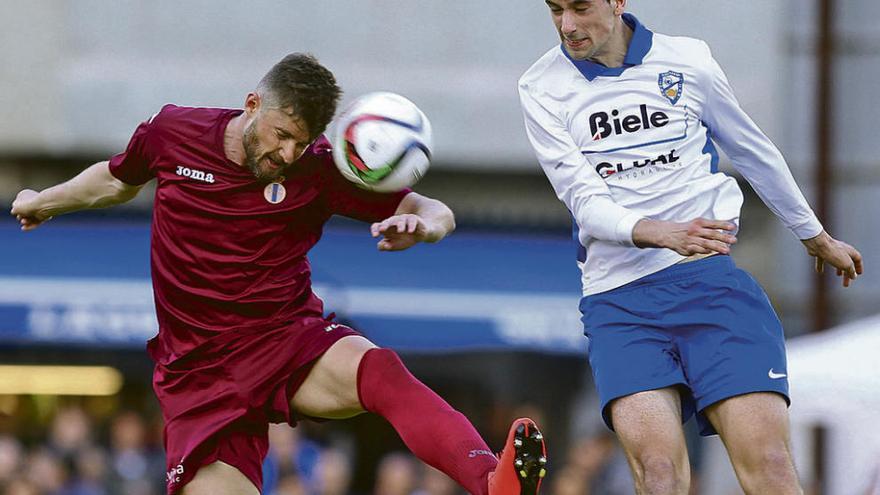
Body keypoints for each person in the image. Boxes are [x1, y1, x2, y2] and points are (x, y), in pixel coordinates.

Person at [11, 53, 547, 495]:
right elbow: (115, 179)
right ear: (252, 105)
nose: (287, 152)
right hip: (198, 378)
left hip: (287, 341)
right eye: (282, 134)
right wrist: (45, 201)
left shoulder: (318, 168)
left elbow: (437, 208)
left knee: (380, 370)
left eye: (302, 139)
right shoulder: (173, 132)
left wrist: (424, 226)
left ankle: (491, 480)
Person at [517, 2, 863, 494]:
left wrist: (815, 235)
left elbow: (752, 149)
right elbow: (583, 201)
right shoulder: (540, 87)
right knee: (659, 475)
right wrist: (661, 231)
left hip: (711, 286)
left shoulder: (688, 61)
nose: (567, 25)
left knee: (770, 466)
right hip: (620, 302)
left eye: (580, 7)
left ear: (617, 2)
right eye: (555, 9)